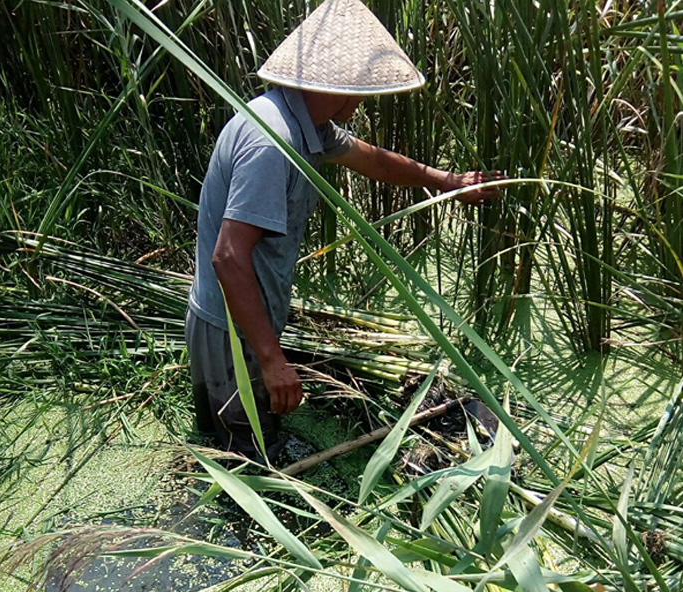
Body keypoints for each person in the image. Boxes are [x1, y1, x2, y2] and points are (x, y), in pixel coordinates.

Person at [186, 0, 500, 460]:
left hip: (247, 316)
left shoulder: (303, 121)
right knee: (245, 453)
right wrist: (273, 361)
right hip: (230, 330)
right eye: (350, 92)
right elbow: (228, 258)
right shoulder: (273, 143)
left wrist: (444, 181)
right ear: (316, 84)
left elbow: (371, 159)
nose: (357, 103)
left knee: (243, 436)